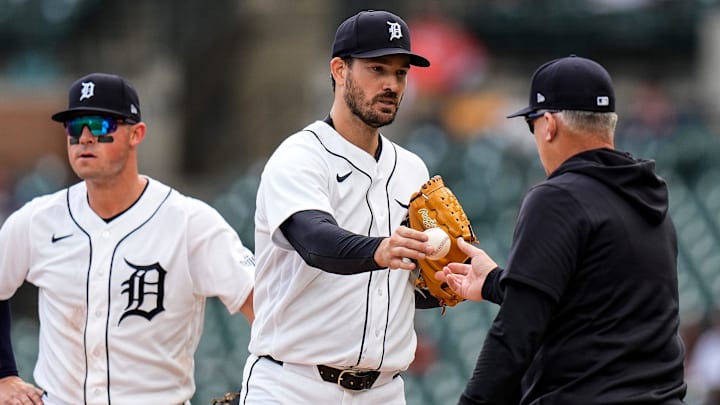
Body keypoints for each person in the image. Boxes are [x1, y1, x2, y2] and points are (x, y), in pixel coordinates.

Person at [436, 55, 687, 404]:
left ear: (550, 124)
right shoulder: (649, 199)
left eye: (532, 124)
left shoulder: (558, 197)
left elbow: (515, 333)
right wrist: (496, 282)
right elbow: (594, 303)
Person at [0, 72, 255, 405]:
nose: (86, 138)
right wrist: (4, 373)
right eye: (75, 127)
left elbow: (264, 307)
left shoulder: (190, 223)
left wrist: (262, 388)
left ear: (137, 133)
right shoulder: (37, 219)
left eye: (100, 125)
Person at [240, 9, 439, 405]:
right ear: (339, 70)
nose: (391, 84)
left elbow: (400, 286)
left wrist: (440, 277)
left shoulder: (413, 169)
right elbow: (314, 241)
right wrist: (380, 249)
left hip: (383, 391)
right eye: (377, 68)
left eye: (400, 73)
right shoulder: (299, 156)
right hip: (294, 385)